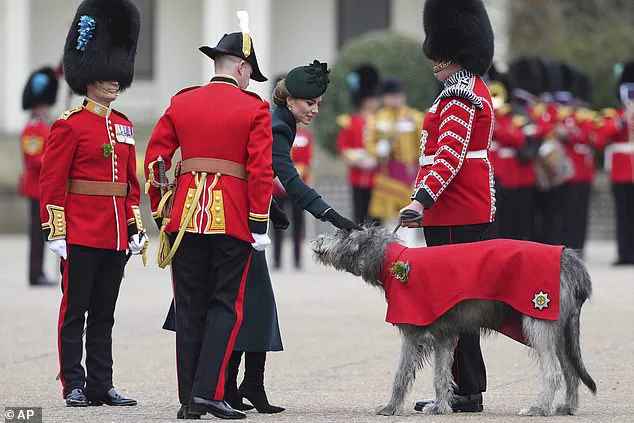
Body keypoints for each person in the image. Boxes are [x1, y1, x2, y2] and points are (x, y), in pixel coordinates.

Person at [145, 15, 274, 420]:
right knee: (224, 305)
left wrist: (164, 204)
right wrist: (259, 223)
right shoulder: (255, 108)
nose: (250, 80)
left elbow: (156, 162)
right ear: (241, 67)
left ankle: (190, 400)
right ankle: (209, 393)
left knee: (188, 307)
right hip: (233, 218)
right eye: (250, 73)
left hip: (183, 219)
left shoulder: (181, 101)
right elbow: (260, 170)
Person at [39, 0, 145, 407]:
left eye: (119, 75)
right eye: (108, 76)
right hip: (81, 231)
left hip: (115, 233)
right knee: (75, 313)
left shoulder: (124, 126)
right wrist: (56, 230)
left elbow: (130, 184)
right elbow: (53, 182)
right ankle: (74, 383)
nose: (116, 82)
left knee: (104, 314)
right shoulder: (69, 125)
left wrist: (134, 226)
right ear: (89, 78)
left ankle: (102, 382)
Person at [399, 0, 495, 413]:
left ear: (451, 54)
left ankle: (461, 390)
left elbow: (449, 156)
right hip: (458, 207)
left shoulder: (458, 95)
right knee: (460, 302)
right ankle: (464, 387)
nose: (433, 64)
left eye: (439, 56)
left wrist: (421, 200)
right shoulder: (467, 90)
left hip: (454, 209)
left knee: (455, 304)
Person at [19, 66, 59, 286]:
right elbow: (35, 158)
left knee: (41, 232)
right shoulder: (33, 128)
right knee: (37, 234)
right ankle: (35, 273)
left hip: (41, 187)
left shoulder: (42, 125)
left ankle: (38, 271)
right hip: (35, 187)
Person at [365, 78, 424, 223]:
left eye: (399, 95)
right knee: (389, 221)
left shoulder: (415, 116)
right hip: (389, 173)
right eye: (393, 96)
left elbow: (425, 141)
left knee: (410, 218)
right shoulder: (377, 119)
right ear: (385, 98)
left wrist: (415, 125)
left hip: (411, 173)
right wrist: (386, 143)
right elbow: (370, 145)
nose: (397, 99)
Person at [594, 60, 634, 265]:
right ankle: (624, 254)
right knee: (623, 214)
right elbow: (600, 139)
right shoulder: (614, 116)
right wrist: (622, 123)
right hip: (620, 172)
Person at [336, 65, 382, 224]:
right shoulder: (350, 121)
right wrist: (358, 160)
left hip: (378, 177)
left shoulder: (382, 120)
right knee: (359, 218)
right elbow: (343, 147)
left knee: (377, 221)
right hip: (357, 176)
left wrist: (377, 159)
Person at [271, 125, 312, 270]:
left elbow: (306, 162)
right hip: (276, 187)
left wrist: (291, 178)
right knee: (277, 226)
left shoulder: (305, 136)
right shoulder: (274, 134)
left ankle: (297, 259)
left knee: (298, 226)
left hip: (296, 186)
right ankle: (276, 259)